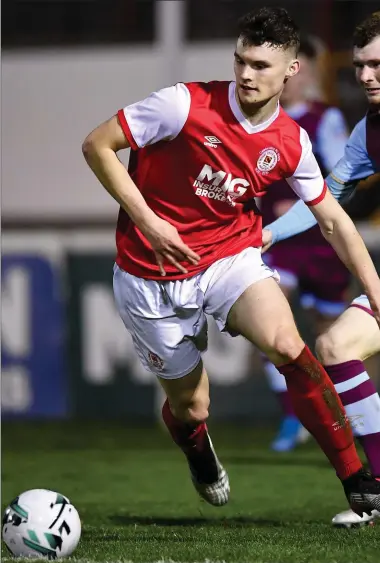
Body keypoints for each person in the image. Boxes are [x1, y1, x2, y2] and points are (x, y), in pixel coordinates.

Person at [82, 6, 380, 517]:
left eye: (261, 65)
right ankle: (198, 449)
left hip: (228, 259)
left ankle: (359, 482)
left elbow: (332, 219)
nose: (246, 73)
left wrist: (375, 290)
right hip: (147, 275)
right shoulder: (181, 105)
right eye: (241, 60)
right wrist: (150, 223)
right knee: (190, 407)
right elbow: (97, 145)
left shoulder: (291, 141)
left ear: (291, 70)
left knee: (292, 345)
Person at [263, 11, 380, 527]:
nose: (367, 76)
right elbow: (327, 199)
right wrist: (263, 234)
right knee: (333, 347)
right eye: (361, 66)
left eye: (378, 64)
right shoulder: (366, 133)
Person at [260, 37, 351, 452]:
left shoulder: (325, 119)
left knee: (332, 337)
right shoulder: (261, 121)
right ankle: (290, 416)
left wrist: (302, 203)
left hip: (321, 242)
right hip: (279, 242)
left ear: (307, 72)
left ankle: (347, 415)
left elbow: (344, 178)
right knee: (266, 316)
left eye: (296, 68)